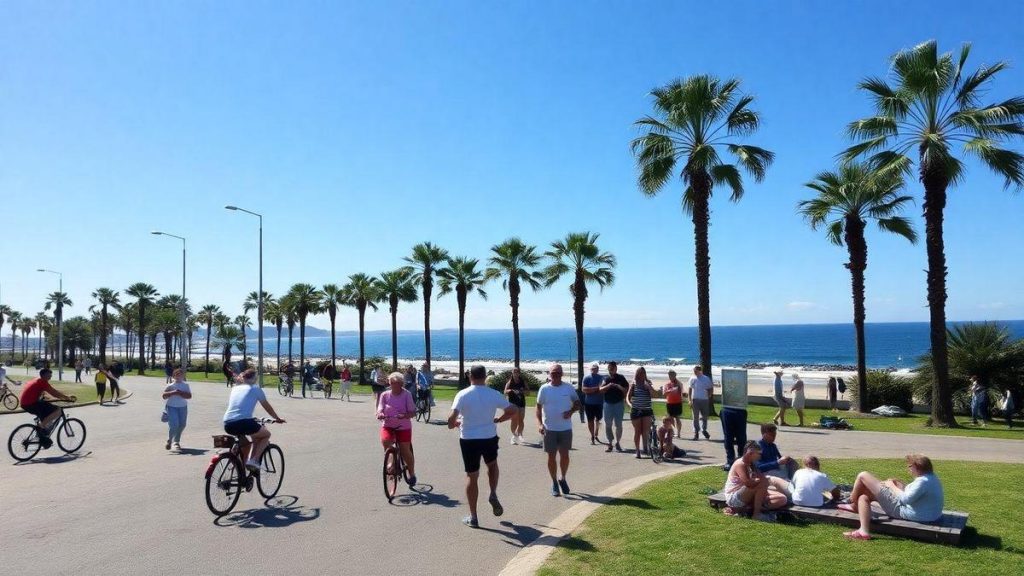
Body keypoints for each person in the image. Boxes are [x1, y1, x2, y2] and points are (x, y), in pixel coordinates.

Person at [448, 364, 517, 528]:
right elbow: (513, 409)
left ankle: (474, 517)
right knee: (492, 465)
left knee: (472, 476)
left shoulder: (463, 394)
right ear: (485, 376)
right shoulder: (493, 394)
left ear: (470, 376)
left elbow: (451, 419)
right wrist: (500, 419)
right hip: (489, 437)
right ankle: (492, 493)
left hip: (469, 439)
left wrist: (455, 424)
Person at [839, 454, 945, 540]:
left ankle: (852, 502)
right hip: (926, 514)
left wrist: (892, 486)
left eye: (910, 466)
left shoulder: (923, 482)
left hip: (909, 513)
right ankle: (863, 529)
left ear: (917, 467)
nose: (908, 469)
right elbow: (915, 496)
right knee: (863, 497)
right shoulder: (931, 477)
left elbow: (905, 499)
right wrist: (901, 486)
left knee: (863, 475)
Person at [222, 369, 285, 471]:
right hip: (244, 422)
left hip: (227, 423)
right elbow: (267, 407)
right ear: (255, 378)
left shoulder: (235, 388)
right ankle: (254, 460)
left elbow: (240, 407)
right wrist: (277, 418)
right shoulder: (255, 389)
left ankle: (240, 471)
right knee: (266, 435)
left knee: (247, 444)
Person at [536, 363, 580, 496]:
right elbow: (538, 408)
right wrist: (539, 424)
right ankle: (554, 482)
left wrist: (571, 411)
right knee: (551, 457)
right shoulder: (544, 389)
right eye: (553, 373)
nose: (555, 375)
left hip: (565, 428)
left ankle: (563, 478)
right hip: (549, 428)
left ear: (562, 374)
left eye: (558, 373)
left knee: (565, 456)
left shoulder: (568, 388)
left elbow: (578, 403)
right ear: (549, 374)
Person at [722, 441, 787, 521]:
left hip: (748, 495)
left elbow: (761, 478)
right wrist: (760, 481)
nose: (760, 456)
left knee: (782, 498)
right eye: (758, 454)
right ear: (750, 453)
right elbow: (748, 483)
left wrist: (762, 480)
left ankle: (746, 509)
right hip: (734, 498)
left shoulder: (752, 464)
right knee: (762, 483)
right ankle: (756, 514)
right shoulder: (740, 464)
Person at [19, 368, 77, 449]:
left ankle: (42, 436)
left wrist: (44, 397)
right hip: (31, 403)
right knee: (58, 410)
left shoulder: (37, 380)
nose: (51, 376)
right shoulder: (43, 382)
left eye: (51, 374)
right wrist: (67, 397)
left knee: (46, 412)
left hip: (25, 403)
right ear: (44, 375)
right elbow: (54, 393)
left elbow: (41, 392)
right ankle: (41, 427)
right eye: (49, 374)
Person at [378, 372, 417, 486]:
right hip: (388, 424)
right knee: (386, 442)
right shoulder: (385, 395)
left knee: (405, 450)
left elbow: (412, 412)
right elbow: (380, 407)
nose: (393, 385)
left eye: (396, 383)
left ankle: (412, 473)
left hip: (403, 426)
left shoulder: (407, 394)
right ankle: (392, 463)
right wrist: (380, 413)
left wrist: (405, 415)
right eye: (391, 383)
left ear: (401, 384)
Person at [626, 366, 656, 459]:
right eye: (639, 373)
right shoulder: (633, 384)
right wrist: (630, 405)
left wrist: (649, 387)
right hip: (636, 410)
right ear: (637, 374)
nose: (641, 375)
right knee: (637, 431)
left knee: (645, 431)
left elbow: (653, 395)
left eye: (643, 373)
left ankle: (646, 448)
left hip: (646, 410)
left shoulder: (648, 383)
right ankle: (638, 450)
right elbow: (627, 397)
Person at [599, 361, 628, 452]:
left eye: (612, 368)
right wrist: (608, 386)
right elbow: (600, 389)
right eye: (609, 369)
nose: (611, 370)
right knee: (608, 424)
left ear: (616, 369)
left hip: (618, 403)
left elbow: (626, 389)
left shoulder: (621, 378)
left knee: (618, 424)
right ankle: (610, 443)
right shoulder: (605, 378)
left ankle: (618, 443)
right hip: (607, 404)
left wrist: (618, 386)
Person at [162, 368, 192, 451]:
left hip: (183, 407)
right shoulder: (170, 386)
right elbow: (164, 396)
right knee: (174, 425)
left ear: (183, 376)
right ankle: (170, 440)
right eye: (177, 375)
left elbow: (189, 396)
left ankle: (176, 441)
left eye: (180, 375)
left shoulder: (186, 385)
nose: (178, 376)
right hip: (171, 407)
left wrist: (181, 393)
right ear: (174, 376)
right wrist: (173, 392)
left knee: (182, 424)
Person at [687, 365, 714, 440]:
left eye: (696, 371)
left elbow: (710, 388)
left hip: (704, 400)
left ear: (700, 371)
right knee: (695, 417)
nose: (695, 372)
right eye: (694, 371)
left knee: (704, 416)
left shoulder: (706, 378)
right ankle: (696, 432)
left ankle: (704, 430)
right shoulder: (692, 378)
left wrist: (709, 395)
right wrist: (689, 400)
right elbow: (689, 390)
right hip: (695, 399)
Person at [503, 367, 529, 444]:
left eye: (517, 372)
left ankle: (520, 434)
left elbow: (528, 392)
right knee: (514, 420)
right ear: (512, 373)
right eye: (514, 372)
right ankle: (514, 436)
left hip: (521, 403)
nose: (516, 373)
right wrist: (510, 390)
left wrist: (523, 391)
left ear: (519, 373)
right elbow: (504, 392)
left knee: (521, 420)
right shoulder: (510, 382)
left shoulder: (522, 381)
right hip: (512, 404)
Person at [581, 363, 605, 445]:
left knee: (598, 419)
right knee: (590, 420)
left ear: (598, 369)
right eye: (593, 368)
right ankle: (592, 436)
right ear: (590, 369)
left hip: (599, 403)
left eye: (596, 368)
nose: (594, 369)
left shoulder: (601, 378)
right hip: (589, 403)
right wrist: (596, 389)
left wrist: (592, 390)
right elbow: (584, 389)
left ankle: (596, 432)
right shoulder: (586, 378)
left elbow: (602, 389)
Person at [661, 371, 685, 438]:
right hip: (670, 403)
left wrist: (677, 386)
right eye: (670, 375)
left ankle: (679, 433)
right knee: (670, 418)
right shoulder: (667, 384)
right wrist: (669, 391)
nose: (671, 376)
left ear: (675, 375)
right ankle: (672, 432)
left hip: (677, 403)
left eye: (672, 375)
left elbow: (682, 392)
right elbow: (664, 394)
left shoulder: (679, 383)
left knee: (677, 418)